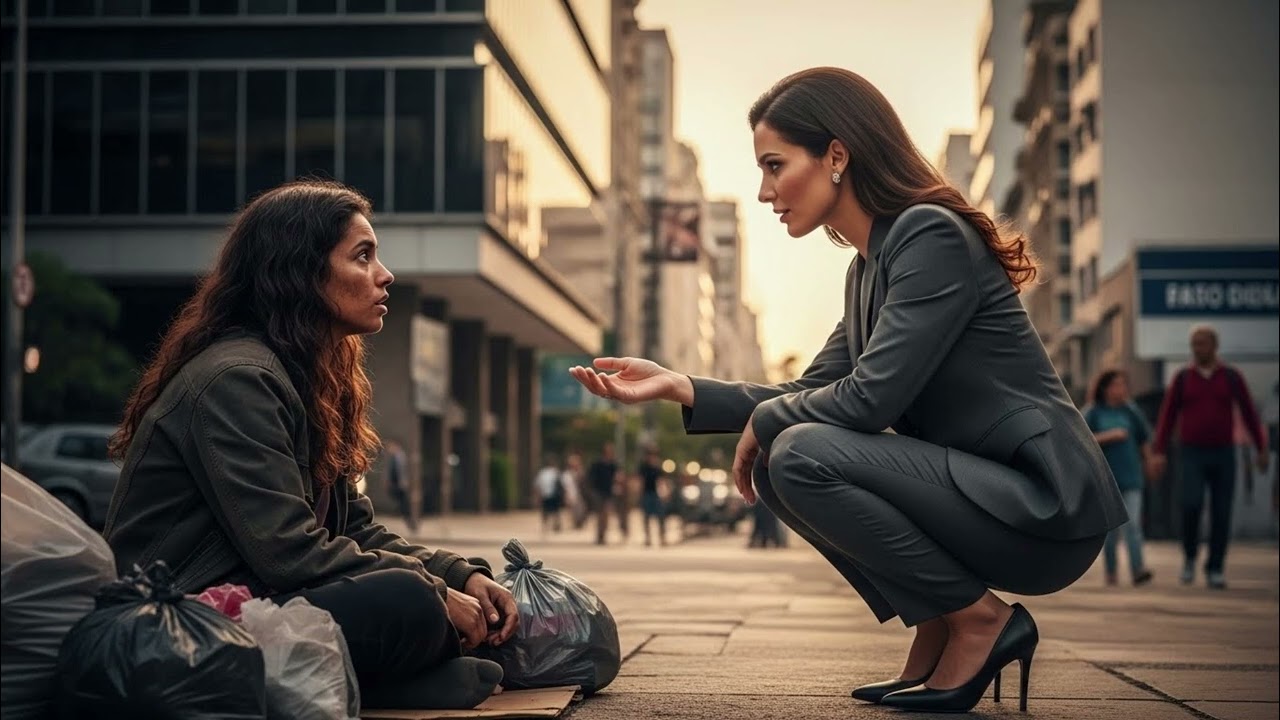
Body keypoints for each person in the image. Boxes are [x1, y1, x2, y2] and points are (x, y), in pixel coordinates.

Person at [569, 67, 1127, 714]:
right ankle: (938, 621)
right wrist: (682, 387)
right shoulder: (869, 267)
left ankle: (980, 621)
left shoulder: (930, 236)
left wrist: (774, 419)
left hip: (1041, 506)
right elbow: (812, 388)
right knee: (787, 459)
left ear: (837, 154)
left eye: (775, 165)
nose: (763, 190)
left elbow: (869, 401)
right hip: (981, 496)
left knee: (799, 451)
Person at [104, 181, 516, 710]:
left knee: (451, 598)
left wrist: (459, 574)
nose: (384, 275)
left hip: (255, 602)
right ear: (298, 272)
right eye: (362, 256)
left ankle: (386, 679)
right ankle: (386, 682)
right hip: (176, 622)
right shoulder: (237, 379)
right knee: (407, 600)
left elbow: (354, 530)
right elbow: (288, 552)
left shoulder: (309, 379)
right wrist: (436, 595)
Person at [1150, 324, 1269, 590]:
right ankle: (1190, 558)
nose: (1197, 349)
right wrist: (1159, 452)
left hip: (1224, 453)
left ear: (1214, 346)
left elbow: (1249, 413)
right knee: (1190, 505)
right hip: (1191, 453)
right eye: (1194, 344)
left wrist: (1261, 447)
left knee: (1221, 511)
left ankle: (1215, 567)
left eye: (1201, 343)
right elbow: (1167, 418)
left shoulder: (1231, 377)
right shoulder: (1182, 379)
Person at [1084, 370, 1155, 586]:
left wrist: (1150, 462)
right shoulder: (1094, 413)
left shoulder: (1131, 412)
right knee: (1111, 532)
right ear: (1105, 388)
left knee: (1133, 526)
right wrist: (1110, 435)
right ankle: (1111, 573)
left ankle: (1137, 570)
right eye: (1116, 385)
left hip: (1132, 478)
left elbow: (1144, 440)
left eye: (1124, 385)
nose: (1121, 389)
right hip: (1106, 480)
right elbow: (1080, 439)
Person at [587, 443, 621, 545]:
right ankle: (599, 535)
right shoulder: (597, 464)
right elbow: (591, 477)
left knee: (605, 515)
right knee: (599, 515)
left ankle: (603, 535)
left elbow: (618, 477)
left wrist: (617, 485)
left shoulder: (613, 465)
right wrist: (591, 490)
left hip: (609, 493)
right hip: (598, 492)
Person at [384, 439, 417, 534]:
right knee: (403, 504)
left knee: (404, 505)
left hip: (400, 485)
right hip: (397, 485)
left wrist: (402, 483)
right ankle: (410, 522)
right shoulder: (395, 457)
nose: (389, 449)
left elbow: (401, 472)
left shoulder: (399, 457)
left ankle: (411, 523)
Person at [638, 448, 668, 546]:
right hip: (647, 493)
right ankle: (648, 538)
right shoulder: (643, 467)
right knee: (646, 517)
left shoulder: (658, 468)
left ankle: (662, 537)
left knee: (661, 516)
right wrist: (639, 493)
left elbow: (661, 481)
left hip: (656, 494)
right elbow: (640, 481)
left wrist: (664, 493)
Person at [534, 453, 564, 534]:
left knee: (555, 511)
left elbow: (561, 484)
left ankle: (556, 525)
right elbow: (538, 485)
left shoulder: (556, 472)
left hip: (554, 494)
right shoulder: (543, 472)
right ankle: (546, 525)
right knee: (546, 511)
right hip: (546, 494)